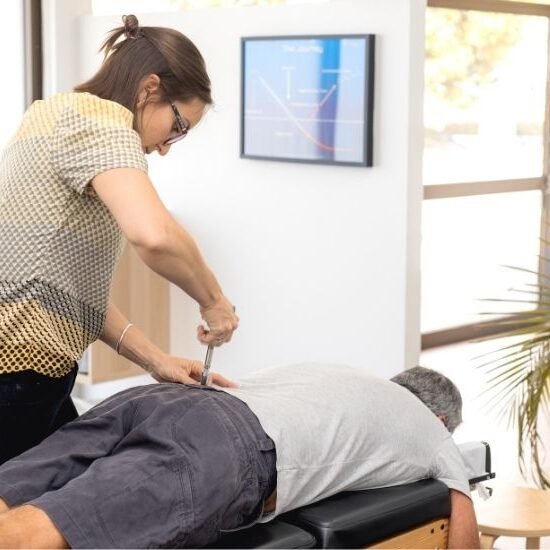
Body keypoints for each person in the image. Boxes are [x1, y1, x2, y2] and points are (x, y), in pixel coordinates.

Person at [0, 13, 239, 465]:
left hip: (25, 368)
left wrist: (154, 359)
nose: (167, 146)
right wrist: (215, 301)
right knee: (34, 520)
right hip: (18, 375)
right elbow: (155, 235)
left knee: (73, 486)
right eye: (179, 126)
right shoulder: (104, 123)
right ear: (149, 88)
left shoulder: (53, 111)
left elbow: (62, 287)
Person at [0, 363, 480, 549]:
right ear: (441, 421)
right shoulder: (431, 432)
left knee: (10, 496)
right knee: (27, 539)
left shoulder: (347, 375)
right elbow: (461, 528)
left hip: (162, 399)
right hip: (221, 446)